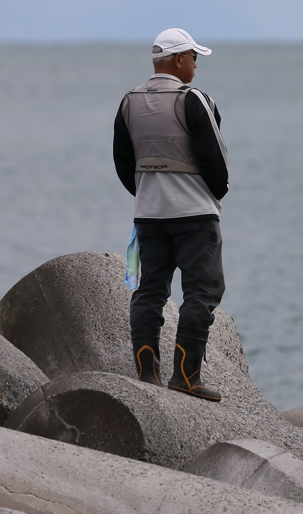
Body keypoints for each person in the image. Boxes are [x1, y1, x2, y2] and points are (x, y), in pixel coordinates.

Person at [113, 28, 229, 402]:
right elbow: (216, 159)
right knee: (203, 291)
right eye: (194, 57)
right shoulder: (192, 99)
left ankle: (148, 374)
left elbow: (122, 161)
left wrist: (147, 194)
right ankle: (185, 377)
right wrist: (215, 193)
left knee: (149, 291)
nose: (195, 64)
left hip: (149, 216)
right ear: (179, 60)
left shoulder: (128, 102)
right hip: (195, 214)